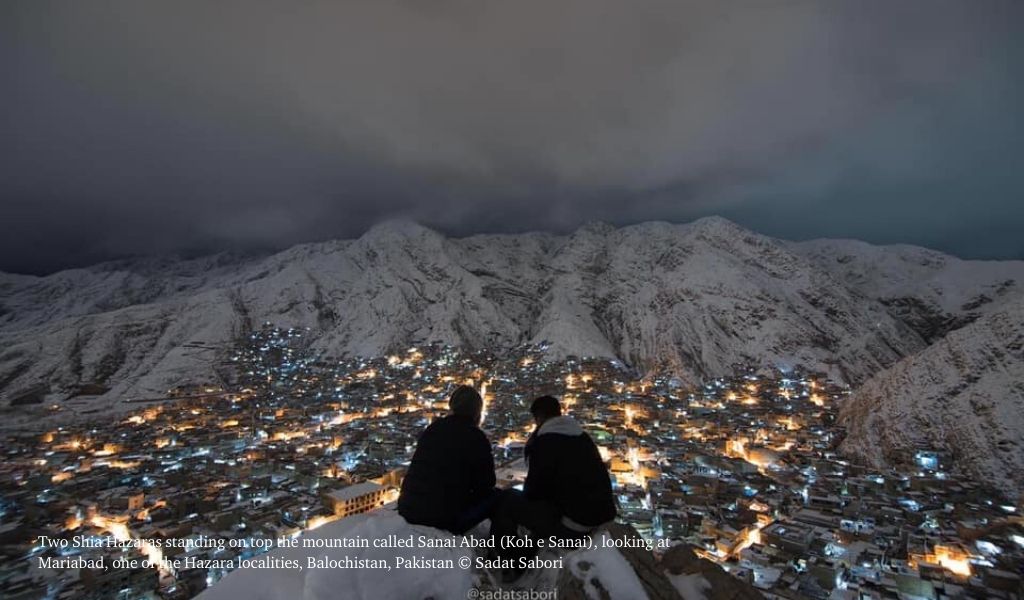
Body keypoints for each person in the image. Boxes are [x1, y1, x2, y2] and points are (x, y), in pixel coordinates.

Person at [490, 396, 617, 577]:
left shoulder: (544, 443)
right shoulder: (581, 437)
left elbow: (533, 492)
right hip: (597, 521)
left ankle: (510, 561)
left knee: (506, 501)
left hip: (573, 529)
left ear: (538, 418)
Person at [398, 385, 498, 534]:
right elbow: (486, 484)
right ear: (477, 412)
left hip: (409, 509)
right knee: (500, 498)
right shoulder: (475, 437)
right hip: (444, 518)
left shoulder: (433, 429)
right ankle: (507, 551)